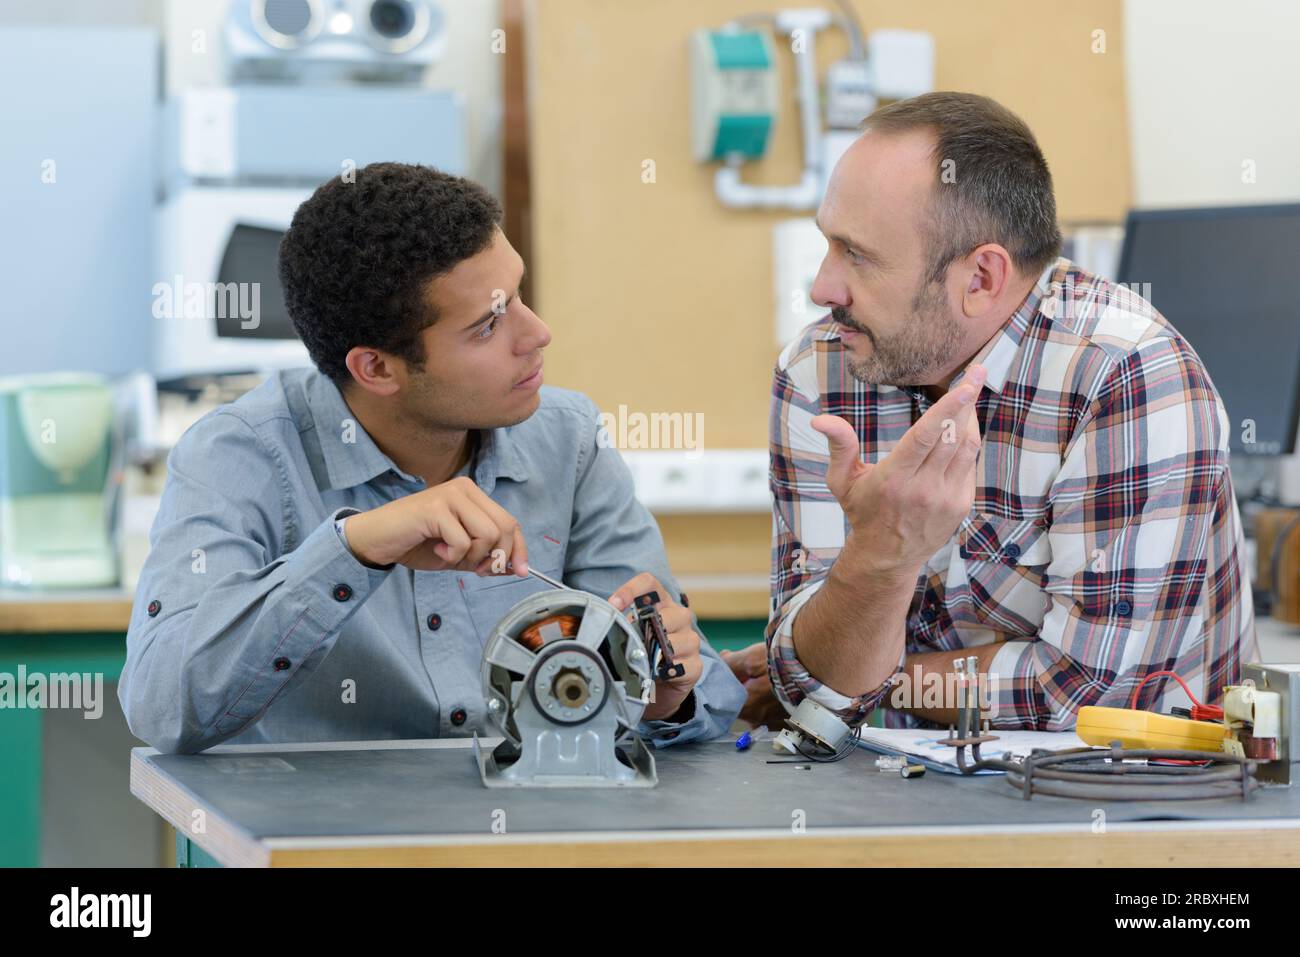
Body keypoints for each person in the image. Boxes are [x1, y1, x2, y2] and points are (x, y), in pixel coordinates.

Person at [120, 163, 744, 753]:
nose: (537, 334)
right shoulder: (239, 454)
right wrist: (355, 550)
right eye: (488, 326)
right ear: (378, 369)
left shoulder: (568, 441)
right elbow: (162, 706)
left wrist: (666, 701)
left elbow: (705, 691)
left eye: (519, 295)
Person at [725, 92, 1256, 731]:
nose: (821, 288)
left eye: (856, 254)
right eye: (827, 245)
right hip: (888, 798)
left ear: (981, 277)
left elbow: (1087, 699)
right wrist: (878, 556)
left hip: (1126, 806)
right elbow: (804, 676)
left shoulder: (1128, 375)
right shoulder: (818, 370)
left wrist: (861, 679)